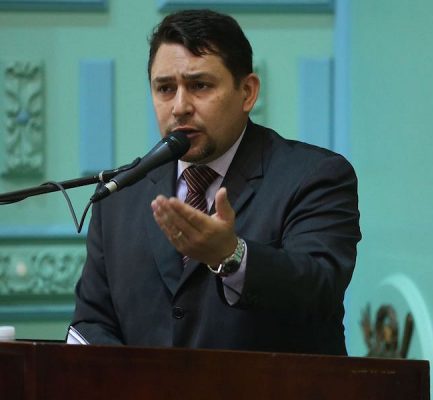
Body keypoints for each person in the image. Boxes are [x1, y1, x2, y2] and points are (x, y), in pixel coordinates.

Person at [69, 9, 361, 355]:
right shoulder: (120, 194)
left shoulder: (315, 176)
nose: (179, 107)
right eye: (165, 88)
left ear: (247, 92)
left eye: (199, 86)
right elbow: (91, 323)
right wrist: (137, 380)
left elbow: (320, 289)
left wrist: (232, 255)